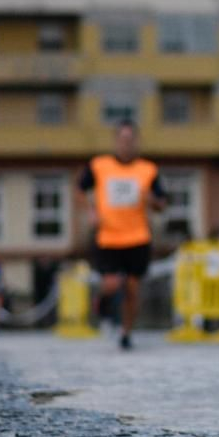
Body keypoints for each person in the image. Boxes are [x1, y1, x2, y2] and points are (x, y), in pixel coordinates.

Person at [77, 119, 167, 350]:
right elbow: (79, 188)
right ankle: (104, 306)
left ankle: (125, 334)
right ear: (116, 141)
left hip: (138, 238)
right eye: (122, 139)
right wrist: (91, 211)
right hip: (108, 237)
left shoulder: (148, 170)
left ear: (136, 141)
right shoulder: (99, 165)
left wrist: (153, 201)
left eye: (130, 139)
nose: (126, 144)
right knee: (112, 283)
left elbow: (162, 204)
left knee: (132, 291)